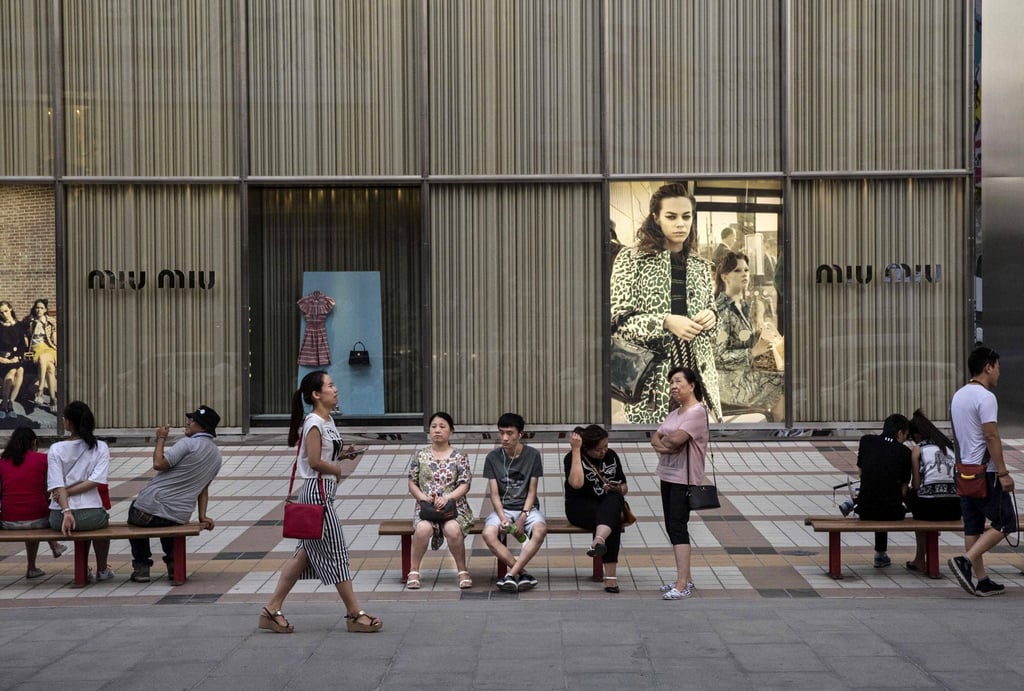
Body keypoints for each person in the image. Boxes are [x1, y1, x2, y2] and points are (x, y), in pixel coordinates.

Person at [259, 370, 382, 633]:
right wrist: (337, 469)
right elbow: (314, 462)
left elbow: (323, 456)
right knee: (337, 552)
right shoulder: (314, 422)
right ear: (316, 394)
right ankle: (354, 613)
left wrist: (343, 456)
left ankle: (271, 609)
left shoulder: (326, 420)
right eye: (330, 385)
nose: (335, 389)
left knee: (303, 556)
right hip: (318, 495)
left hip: (322, 492)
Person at [610, 182, 722, 423]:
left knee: (694, 449)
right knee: (659, 446)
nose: (681, 223)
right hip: (653, 376)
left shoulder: (699, 265)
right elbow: (618, 320)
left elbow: (714, 321)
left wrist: (712, 316)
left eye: (686, 216)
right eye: (671, 216)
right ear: (656, 218)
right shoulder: (631, 259)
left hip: (696, 372)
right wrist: (665, 321)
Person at [127, 405, 223, 583]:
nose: (188, 422)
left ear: (202, 426)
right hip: (179, 515)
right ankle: (173, 564)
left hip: (146, 513)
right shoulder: (216, 456)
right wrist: (203, 516)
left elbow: (159, 463)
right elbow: (203, 487)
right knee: (167, 523)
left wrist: (161, 439)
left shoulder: (188, 443)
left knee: (135, 513)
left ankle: (142, 567)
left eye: (192, 420)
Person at [948, 346, 1014, 597]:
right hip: (985, 473)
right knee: (1005, 522)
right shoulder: (986, 398)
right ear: (987, 367)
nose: (999, 372)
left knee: (973, 527)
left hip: (964, 471)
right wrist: (1003, 472)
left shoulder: (959, 395)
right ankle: (965, 561)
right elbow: (990, 435)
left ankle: (981, 579)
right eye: (997, 367)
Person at [651, 366, 709, 600]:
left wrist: (668, 441)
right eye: (671, 382)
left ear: (692, 385)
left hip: (684, 479)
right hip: (668, 475)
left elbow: (673, 441)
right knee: (673, 526)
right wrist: (668, 442)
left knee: (677, 527)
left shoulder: (697, 412)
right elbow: (654, 439)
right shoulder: (675, 413)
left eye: (678, 381)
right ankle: (686, 578)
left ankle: (682, 583)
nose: (673, 386)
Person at [405, 411, 474, 590]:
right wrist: (422, 498)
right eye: (434, 427)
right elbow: (412, 482)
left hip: (454, 508)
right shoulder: (420, 455)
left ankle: (462, 570)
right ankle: (413, 571)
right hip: (426, 508)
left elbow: (464, 484)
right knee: (422, 528)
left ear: (451, 431)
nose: (437, 430)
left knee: (452, 529)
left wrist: (447, 498)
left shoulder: (460, 456)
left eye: (442, 427)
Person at [46, 400, 113, 583]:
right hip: (91, 514)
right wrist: (67, 492)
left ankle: (84, 569)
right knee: (102, 524)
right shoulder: (101, 447)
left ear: (67, 423)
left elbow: (56, 483)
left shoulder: (56, 449)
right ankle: (102, 569)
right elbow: (95, 481)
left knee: (78, 525)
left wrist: (66, 508)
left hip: (58, 517)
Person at [713, 252, 784, 420]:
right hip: (730, 382)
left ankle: (778, 426)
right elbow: (717, 356)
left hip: (744, 374)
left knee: (787, 377)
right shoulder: (722, 311)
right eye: (737, 271)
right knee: (783, 383)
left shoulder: (743, 306)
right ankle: (780, 430)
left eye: (746, 270)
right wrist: (753, 352)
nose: (744, 274)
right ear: (725, 277)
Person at [482, 412, 547, 592]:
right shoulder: (492, 457)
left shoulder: (533, 455)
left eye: (509, 433)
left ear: (520, 434)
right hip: (503, 509)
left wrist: (523, 516)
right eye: (501, 432)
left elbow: (532, 491)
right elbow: (494, 494)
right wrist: (503, 518)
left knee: (540, 530)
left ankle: (510, 575)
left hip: (527, 508)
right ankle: (522, 573)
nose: (504, 438)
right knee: (488, 534)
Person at [564, 424, 628, 593]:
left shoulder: (612, 456)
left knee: (615, 500)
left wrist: (617, 488)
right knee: (612, 520)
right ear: (586, 448)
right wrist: (576, 451)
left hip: (606, 505)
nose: (603, 452)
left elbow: (624, 487)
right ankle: (611, 579)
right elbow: (576, 484)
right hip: (580, 508)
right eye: (599, 449)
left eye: (606, 446)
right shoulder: (572, 457)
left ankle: (598, 540)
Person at [0, 427, 66, 577]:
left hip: (8, 521)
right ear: (34, 442)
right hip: (39, 520)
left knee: (29, 516)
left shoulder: (2, 462)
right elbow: (47, 490)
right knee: (36, 514)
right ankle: (42, 557)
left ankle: (33, 566)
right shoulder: (42, 460)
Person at [903, 409, 961, 573]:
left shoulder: (918, 449)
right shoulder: (948, 446)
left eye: (912, 438)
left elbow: (916, 485)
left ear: (917, 435)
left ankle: (920, 559)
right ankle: (933, 535)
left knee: (913, 496)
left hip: (929, 509)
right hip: (955, 508)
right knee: (928, 496)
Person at [854, 414, 913, 569]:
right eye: (906, 436)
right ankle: (881, 555)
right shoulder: (905, 452)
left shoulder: (866, 441)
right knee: (887, 498)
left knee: (877, 493)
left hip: (865, 510)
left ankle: (880, 554)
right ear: (900, 433)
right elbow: (904, 488)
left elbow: (860, 472)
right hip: (893, 513)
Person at [23, 299, 57, 413]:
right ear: (34, 308)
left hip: (49, 349)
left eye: (42, 308)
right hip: (36, 349)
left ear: (46, 310)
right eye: (37, 307)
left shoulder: (50, 321)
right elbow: (25, 337)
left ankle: (40, 390)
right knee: (50, 368)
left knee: (44, 359)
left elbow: (55, 341)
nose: (39, 310)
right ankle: (53, 400)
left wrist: (54, 331)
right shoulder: (29, 321)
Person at [0, 301, 26, 419]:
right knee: (12, 371)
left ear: (10, 309)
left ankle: (11, 402)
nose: (4, 314)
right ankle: (4, 404)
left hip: (15, 358)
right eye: (1, 313)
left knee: (20, 370)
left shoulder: (19, 325)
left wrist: (18, 356)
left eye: (6, 311)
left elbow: (22, 345)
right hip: (3, 360)